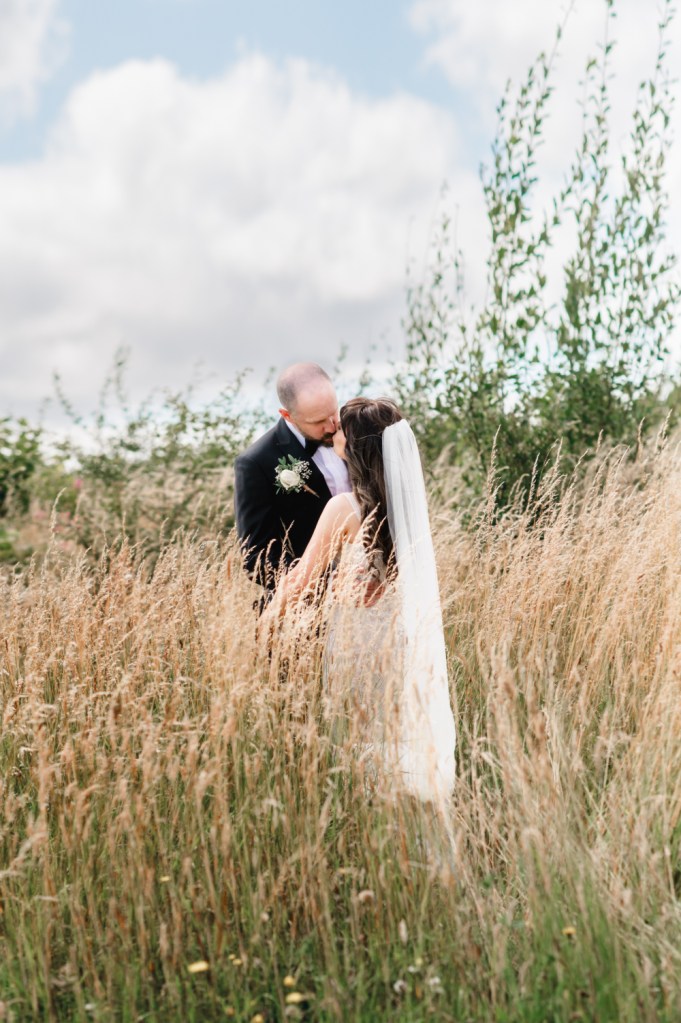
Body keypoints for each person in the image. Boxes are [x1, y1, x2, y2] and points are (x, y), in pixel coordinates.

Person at [270, 397, 456, 805]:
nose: (333, 435)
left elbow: (301, 579)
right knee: (396, 734)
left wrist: (264, 621)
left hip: (357, 644)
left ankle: (372, 820)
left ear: (356, 447)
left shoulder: (345, 507)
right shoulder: (406, 512)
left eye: (340, 433)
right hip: (400, 640)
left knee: (361, 738)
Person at [234, 362, 351, 590]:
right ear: (287, 415)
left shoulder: (356, 433)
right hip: (311, 608)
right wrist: (325, 581)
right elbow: (256, 558)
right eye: (318, 421)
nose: (331, 426)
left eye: (333, 412)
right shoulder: (256, 462)